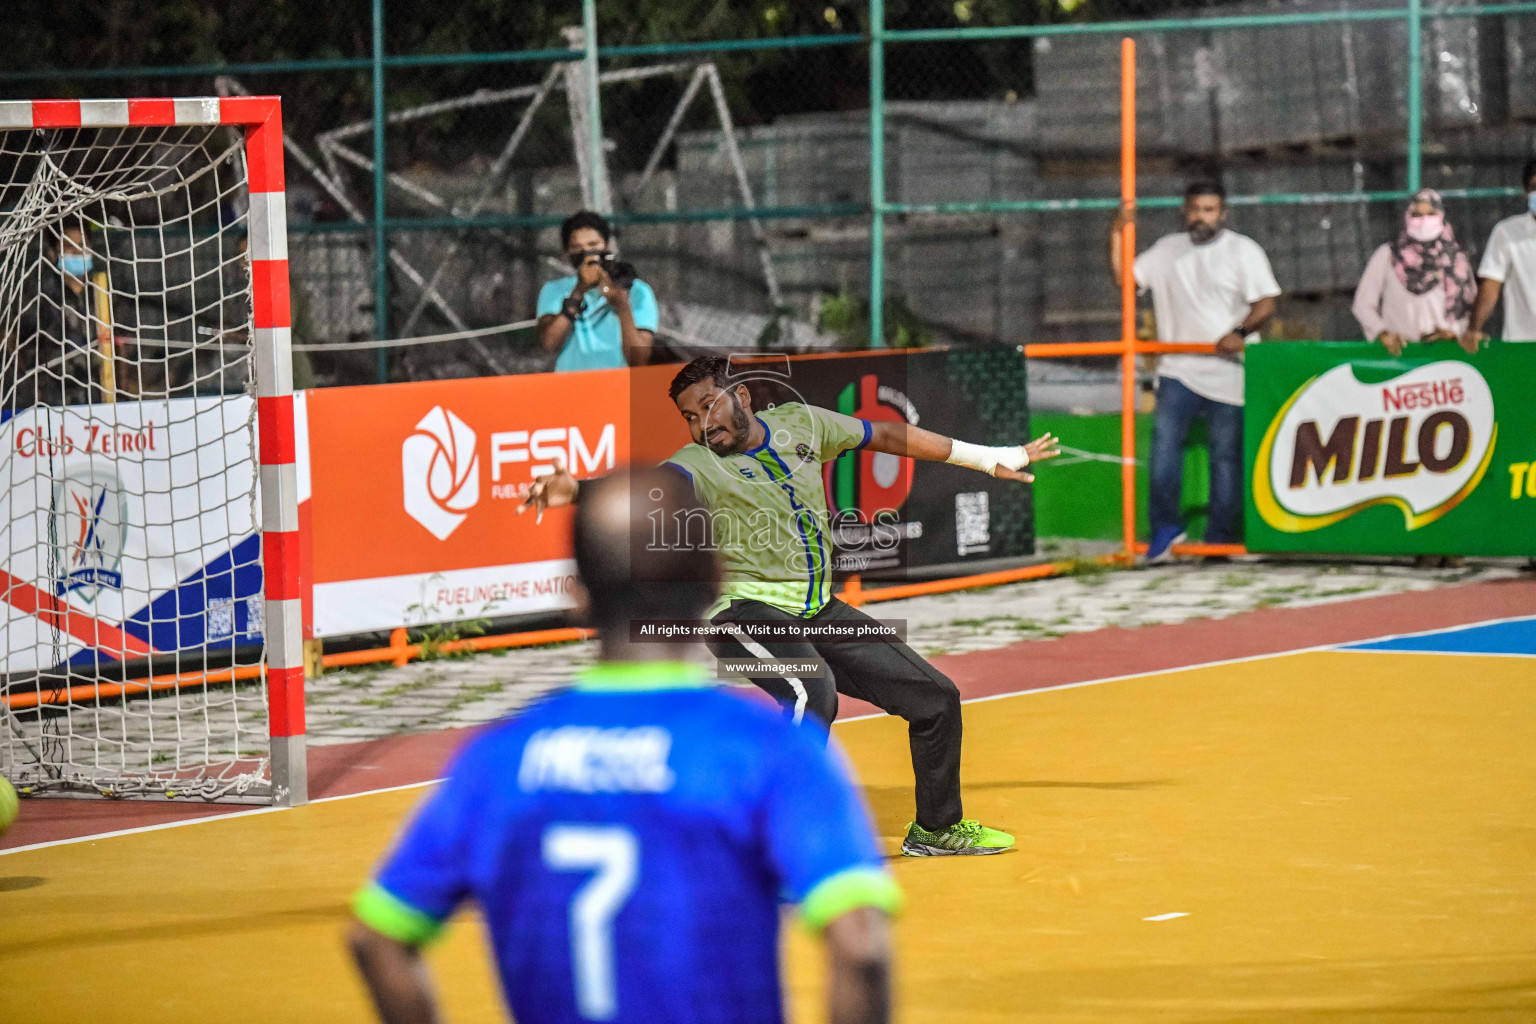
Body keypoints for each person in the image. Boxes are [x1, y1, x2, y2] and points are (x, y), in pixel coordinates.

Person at [349, 468, 899, 1024]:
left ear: (577, 596)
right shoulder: (769, 751)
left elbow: (377, 936)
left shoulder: (496, 759)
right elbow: (861, 947)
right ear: (713, 581)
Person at [521, 355, 1061, 856]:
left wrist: (986, 458)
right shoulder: (697, 464)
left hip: (816, 610)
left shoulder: (804, 425)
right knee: (812, 690)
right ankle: (775, 840)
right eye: (689, 416)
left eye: (709, 406)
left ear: (746, 397)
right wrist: (577, 488)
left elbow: (887, 434)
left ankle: (937, 829)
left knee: (936, 699)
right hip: (738, 615)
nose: (702, 425)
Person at [1110, 180, 1281, 562]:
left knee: (1226, 457)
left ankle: (1218, 541)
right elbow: (1126, 282)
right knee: (1164, 450)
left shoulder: (1242, 251)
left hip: (1229, 372)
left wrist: (1239, 332)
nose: (1200, 217)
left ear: (1222, 213)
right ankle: (1166, 531)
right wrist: (1118, 230)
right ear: (1184, 211)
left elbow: (1266, 302)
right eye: (1194, 210)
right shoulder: (1168, 249)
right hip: (1178, 369)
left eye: (1208, 210)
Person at [1353, 189, 1478, 355]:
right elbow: (1363, 304)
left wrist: (1453, 333)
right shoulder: (1388, 255)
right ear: (1407, 216)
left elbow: (1469, 307)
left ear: (1441, 216)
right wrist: (1383, 333)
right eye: (1417, 214)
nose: (1424, 220)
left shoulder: (1457, 261)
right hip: (1400, 357)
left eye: (1431, 213)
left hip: (1446, 356)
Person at [537, 210, 658, 370]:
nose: (588, 254)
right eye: (577, 248)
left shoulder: (638, 291)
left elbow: (639, 360)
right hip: (571, 387)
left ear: (606, 246)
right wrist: (579, 291)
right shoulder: (555, 291)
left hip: (619, 388)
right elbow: (549, 344)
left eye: (593, 245)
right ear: (568, 253)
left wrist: (622, 305)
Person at [1463, 158, 1536, 348]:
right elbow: (1490, 287)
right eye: (1534, 187)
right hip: (1522, 349)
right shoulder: (1507, 232)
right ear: (1526, 191)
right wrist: (1473, 329)